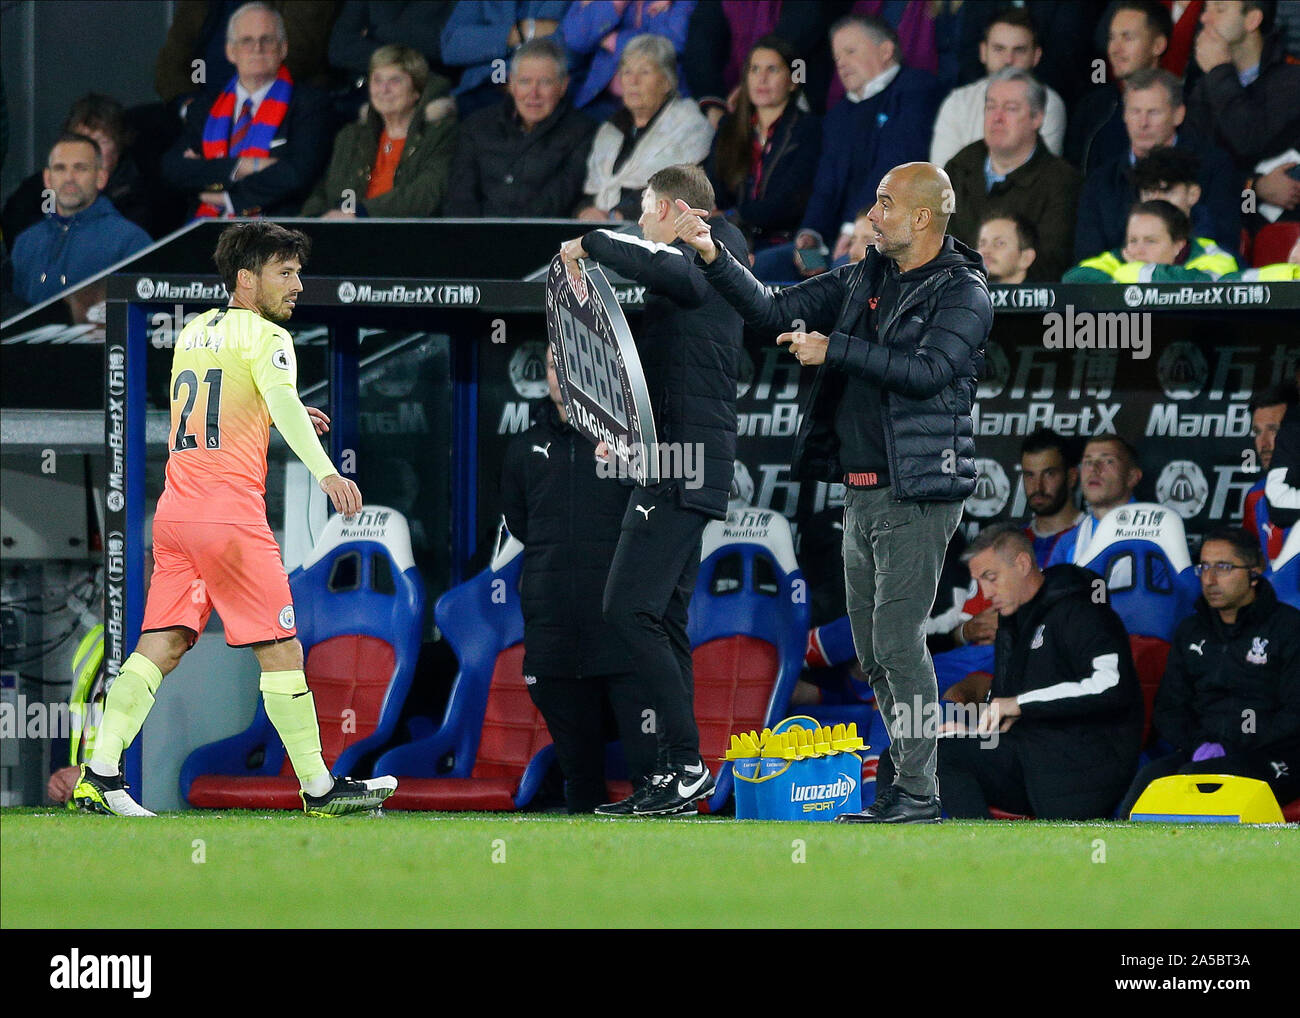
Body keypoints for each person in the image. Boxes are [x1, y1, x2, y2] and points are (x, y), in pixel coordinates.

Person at [675, 160, 993, 823]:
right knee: (875, 652)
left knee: (899, 644)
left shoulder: (964, 291)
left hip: (920, 492)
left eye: (884, 203)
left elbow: (928, 371)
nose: (871, 215)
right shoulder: (863, 278)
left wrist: (837, 349)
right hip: (863, 491)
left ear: (923, 218)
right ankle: (906, 787)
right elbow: (772, 308)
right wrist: (711, 256)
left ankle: (918, 792)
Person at [72, 221, 396, 818]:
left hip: (175, 516)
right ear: (247, 280)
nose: (298, 285)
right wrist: (327, 472)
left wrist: (287, 407)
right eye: (286, 273)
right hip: (229, 519)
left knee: (159, 646)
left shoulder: (195, 331)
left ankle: (100, 773)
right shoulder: (268, 337)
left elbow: (222, 407)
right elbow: (271, 401)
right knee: (281, 651)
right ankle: (320, 790)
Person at [559, 163, 746, 817]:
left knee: (626, 609)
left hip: (684, 464)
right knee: (661, 617)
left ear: (671, 210)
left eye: (644, 211)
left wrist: (590, 243)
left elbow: (665, 272)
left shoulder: (715, 247)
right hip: (670, 458)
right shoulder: (701, 260)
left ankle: (688, 761)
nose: (639, 222)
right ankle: (678, 769)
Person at [500, 347, 656, 812]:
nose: (561, 374)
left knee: (649, 774)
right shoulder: (522, 449)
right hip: (554, 629)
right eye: (553, 365)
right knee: (580, 779)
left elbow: (655, 524)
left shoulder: (632, 446)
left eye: (572, 363)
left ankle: (666, 870)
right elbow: (521, 524)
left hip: (621, 628)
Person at [938, 523, 1144, 820]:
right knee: (916, 756)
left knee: (946, 756)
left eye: (991, 578)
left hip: (1083, 766)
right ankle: (911, 855)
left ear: (1022, 564)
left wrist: (1019, 704)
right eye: (980, 582)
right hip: (1033, 760)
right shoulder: (1013, 623)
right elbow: (1009, 708)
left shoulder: (1081, 610)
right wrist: (974, 732)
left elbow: (1111, 685)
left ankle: (977, 851)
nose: (986, 592)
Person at [1117, 526, 1300, 817]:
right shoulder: (1191, 630)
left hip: (1275, 755)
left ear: (1254, 572)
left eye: (1224, 567)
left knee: (1203, 781)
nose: (1210, 579)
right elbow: (1169, 709)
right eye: (1204, 567)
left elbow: (1294, 713)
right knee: (1148, 782)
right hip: (1200, 749)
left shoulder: (1289, 628)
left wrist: (1233, 744)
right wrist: (1199, 743)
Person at [751, 14, 942, 283]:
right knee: (759, 269)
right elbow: (825, 185)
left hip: (879, 239)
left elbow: (894, 169)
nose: (840, 62)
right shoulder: (839, 114)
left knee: (841, 275)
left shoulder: (915, 91)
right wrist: (810, 235)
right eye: (837, 55)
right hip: (832, 242)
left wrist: (855, 230)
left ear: (885, 51)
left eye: (850, 51)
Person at [160, 2, 332, 218]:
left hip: (274, 232)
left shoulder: (310, 104)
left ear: (283, 49)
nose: (257, 48)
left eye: (267, 40)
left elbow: (297, 174)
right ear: (231, 52)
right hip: (204, 228)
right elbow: (174, 169)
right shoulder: (206, 107)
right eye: (246, 41)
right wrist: (243, 165)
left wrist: (228, 197)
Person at [1073, 68, 1241, 260]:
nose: (1143, 123)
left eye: (1153, 112)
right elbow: (1087, 261)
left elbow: (1224, 245)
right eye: (1135, 112)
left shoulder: (1214, 168)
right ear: (1124, 116)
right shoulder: (1100, 181)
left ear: (1178, 115)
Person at [945, 68, 1081, 281]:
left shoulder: (1061, 181)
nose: (997, 118)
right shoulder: (960, 166)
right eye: (991, 107)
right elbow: (937, 244)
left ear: (1037, 118)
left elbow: (1053, 262)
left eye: (1010, 108)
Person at [442, 36, 597, 217]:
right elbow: (460, 199)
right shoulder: (476, 126)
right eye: (525, 81)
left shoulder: (582, 132)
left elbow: (559, 198)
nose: (534, 93)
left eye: (545, 82)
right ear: (512, 84)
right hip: (477, 238)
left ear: (563, 86)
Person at [300, 45, 456, 217]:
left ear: (416, 90)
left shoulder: (440, 134)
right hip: (347, 233)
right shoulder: (352, 135)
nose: (384, 90)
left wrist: (362, 213)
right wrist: (311, 221)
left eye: (395, 81)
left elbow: (426, 194)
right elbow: (324, 191)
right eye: (377, 80)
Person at [704, 35, 822, 255]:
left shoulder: (809, 129)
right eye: (754, 69)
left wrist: (736, 217)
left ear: (794, 80)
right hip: (734, 238)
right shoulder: (728, 127)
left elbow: (791, 202)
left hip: (786, 241)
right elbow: (714, 187)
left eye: (772, 70)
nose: (762, 79)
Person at [577, 33, 714, 223]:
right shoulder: (610, 130)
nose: (633, 81)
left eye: (644, 72)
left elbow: (678, 194)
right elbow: (589, 192)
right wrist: (585, 211)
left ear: (667, 82)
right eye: (627, 72)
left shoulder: (689, 127)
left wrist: (617, 216)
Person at [10, 133, 152, 307]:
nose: (69, 178)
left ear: (101, 178)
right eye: (60, 168)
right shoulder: (26, 242)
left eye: (80, 168)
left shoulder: (131, 241)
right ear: (47, 179)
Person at [2, 94, 157, 248]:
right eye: (81, 140)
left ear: (118, 147)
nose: (89, 150)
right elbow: (16, 220)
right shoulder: (44, 184)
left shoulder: (137, 195)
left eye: (101, 141)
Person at [1186, 0, 1300, 206]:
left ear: (1252, 20)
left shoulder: (1291, 80)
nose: (1204, 18)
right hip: (1220, 220)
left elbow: (1249, 139)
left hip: (1280, 223)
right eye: (1205, 9)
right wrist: (1251, 187)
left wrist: (1220, 71)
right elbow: (1195, 166)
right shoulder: (1206, 85)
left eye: (1220, 9)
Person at [928, 7, 1066, 169]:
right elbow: (941, 177)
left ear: (1036, 56)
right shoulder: (958, 102)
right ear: (983, 52)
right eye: (999, 49)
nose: (1008, 60)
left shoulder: (1048, 103)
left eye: (1019, 50)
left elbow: (1040, 175)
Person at [154, 0, 338, 106]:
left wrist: (234, 105)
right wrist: (187, 102)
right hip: (200, 102)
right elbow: (172, 59)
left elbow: (297, 55)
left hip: (275, 105)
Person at [1067, 1, 1173, 174]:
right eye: (1112, 38)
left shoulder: (1182, 108)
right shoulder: (1092, 107)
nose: (1115, 49)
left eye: (1127, 37)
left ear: (1158, 45)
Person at [559, 0, 693, 120]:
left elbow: (674, 42)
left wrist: (613, 41)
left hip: (658, 104)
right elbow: (575, 38)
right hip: (598, 99)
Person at [440, 1, 568, 118]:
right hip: (481, 90)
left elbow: (570, 45)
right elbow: (451, 46)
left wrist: (485, 38)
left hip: (543, 95)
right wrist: (521, 31)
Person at [1064, 199, 1237, 282]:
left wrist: (1134, 273)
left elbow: (1205, 284)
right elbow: (1074, 278)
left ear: (1179, 245)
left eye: (1150, 241)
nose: (1138, 250)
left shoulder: (1214, 257)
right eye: (1132, 240)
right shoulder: (1125, 255)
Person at [1046, 435, 1143, 567]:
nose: (1094, 469)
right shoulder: (1069, 543)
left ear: (1132, 477)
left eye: (1108, 461)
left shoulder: (1159, 533)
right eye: (1088, 462)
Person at [976, 210, 1038, 285]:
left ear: (1026, 258)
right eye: (982, 244)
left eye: (999, 243)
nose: (985, 251)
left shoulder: (1048, 295)